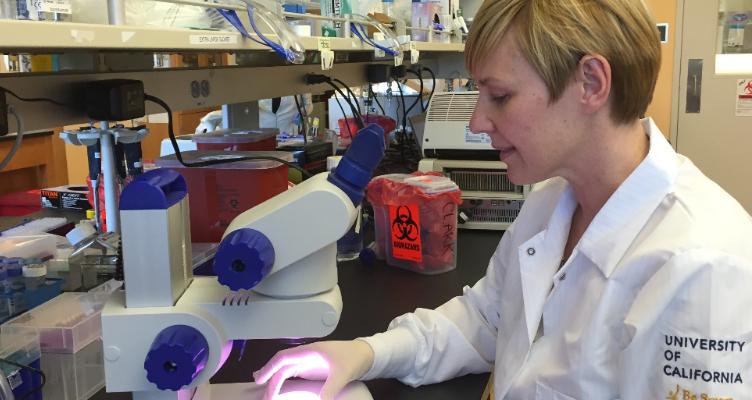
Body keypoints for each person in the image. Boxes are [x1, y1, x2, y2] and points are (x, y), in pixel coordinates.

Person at [255, 0, 752, 399]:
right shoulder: (551, 202)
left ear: (591, 83)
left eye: (500, 96)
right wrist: (364, 354)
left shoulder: (700, 268)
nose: (476, 122)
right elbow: (486, 321)